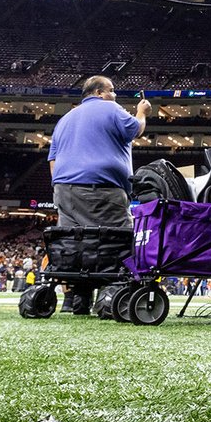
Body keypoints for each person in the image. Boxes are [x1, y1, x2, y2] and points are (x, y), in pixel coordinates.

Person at [47, 75, 151, 315]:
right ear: (98, 92)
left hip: (64, 188)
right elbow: (135, 130)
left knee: (76, 243)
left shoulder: (65, 118)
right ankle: (111, 298)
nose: (115, 95)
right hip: (102, 187)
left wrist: (58, 185)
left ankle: (77, 300)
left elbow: (52, 158)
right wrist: (142, 111)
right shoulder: (109, 108)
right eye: (111, 90)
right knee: (118, 240)